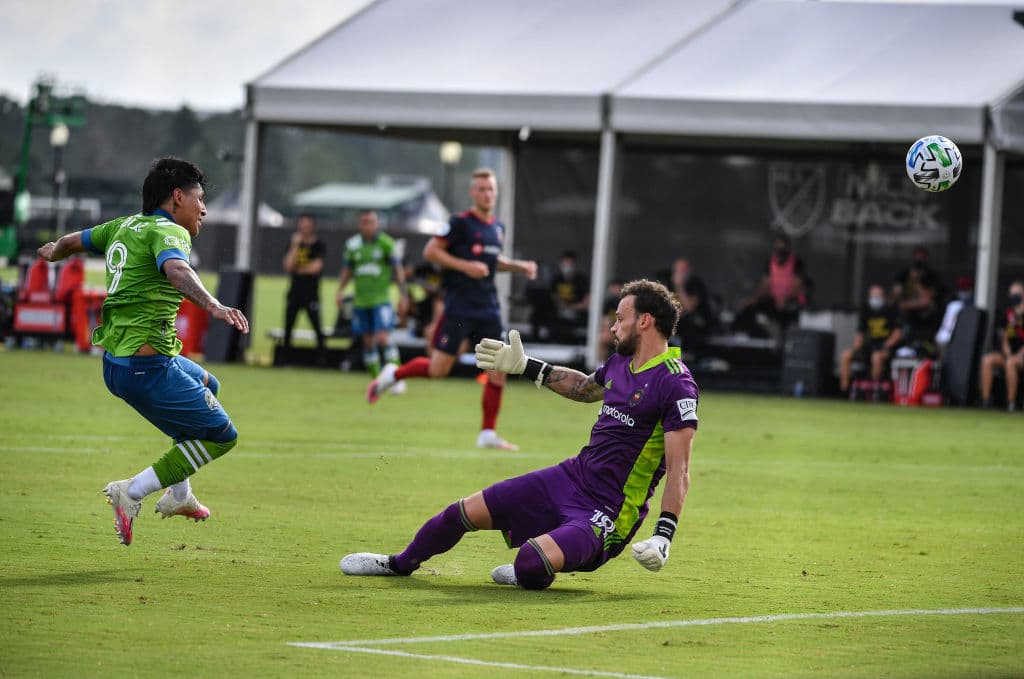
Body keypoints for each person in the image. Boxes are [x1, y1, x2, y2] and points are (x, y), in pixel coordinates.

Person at [341, 279, 697, 589]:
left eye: (620, 318)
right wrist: (527, 366)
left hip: (608, 511)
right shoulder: (622, 361)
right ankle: (397, 564)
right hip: (571, 477)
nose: (614, 327)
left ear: (645, 321)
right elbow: (584, 388)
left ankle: (537, 563)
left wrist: (663, 535)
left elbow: (679, 470)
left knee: (530, 561)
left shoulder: (675, 383)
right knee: (462, 512)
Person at [35, 157, 249, 546]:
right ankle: (132, 491)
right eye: (200, 199)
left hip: (120, 363)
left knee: (208, 385)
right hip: (145, 370)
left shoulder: (122, 225)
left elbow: (69, 243)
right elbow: (178, 271)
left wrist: (53, 252)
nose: (203, 209)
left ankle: (180, 494)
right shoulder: (170, 231)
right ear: (177, 197)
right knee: (223, 436)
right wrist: (215, 306)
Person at [366, 168, 537, 451]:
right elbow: (431, 251)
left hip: (488, 308)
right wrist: (465, 266)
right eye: (481, 189)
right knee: (438, 369)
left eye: (491, 189)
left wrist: (519, 267)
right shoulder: (459, 223)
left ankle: (487, 433)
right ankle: (392, 375)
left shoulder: (497, 227)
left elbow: (492, 261)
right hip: (459, 307)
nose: (487, 194)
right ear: (472, 193)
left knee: (498, 369)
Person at [336, 210, 409, 379]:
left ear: (377, 224)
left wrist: (403, 295)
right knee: (368, 341)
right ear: (359, 224)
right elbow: (347, 270)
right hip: (361, 301)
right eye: (364, 222)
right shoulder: (353, 245)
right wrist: (339, 290)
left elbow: (398, 271)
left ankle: (397, 377)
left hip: (381, 300)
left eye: (371, 222)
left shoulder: (386, 243)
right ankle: (376, 379)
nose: (368, 226)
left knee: (383, 337)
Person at [733, 234, 806, 339]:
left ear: (788, 249)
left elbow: (797, 286)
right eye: (777, 249)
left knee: (787, 315)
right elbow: (765, 285)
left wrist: (785, 299)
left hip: (792, 303)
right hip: (775, 302)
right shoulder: (770, 263)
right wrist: (754, 299)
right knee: (749, 308)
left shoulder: (796, 263)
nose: (780, 252)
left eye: (782, 249)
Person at [838, 284, 902, 394]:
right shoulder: (866, 310)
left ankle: (874, 389)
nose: (875, 299)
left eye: (878, 296)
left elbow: (897, 335)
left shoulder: (891, 311)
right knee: (845, 355)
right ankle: (845, 390)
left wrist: (885, 346)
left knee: (876, 357)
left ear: (884, 297)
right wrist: (856, 349)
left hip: (885, 348)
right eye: (873, 296)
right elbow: (859, 334)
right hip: (869, 347)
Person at [282, 212, 326, 363]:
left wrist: (298, 269)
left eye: (307, 224)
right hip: (294, 291)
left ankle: (322, 359)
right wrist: (295, 245)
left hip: (311, 292)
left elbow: (316, 268)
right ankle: (285, 359)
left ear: (312, 226)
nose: (304, 227)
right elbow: (288, 266)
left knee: (317, 326)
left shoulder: (318, 245)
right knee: (288, 326)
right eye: (302, 224)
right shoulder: (294, 243)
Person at [979, 280, 1024, 411]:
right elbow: (1004, 337)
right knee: (987, 360)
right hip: (1010, 354)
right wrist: (1007, 351)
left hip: (1021, 355)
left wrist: (1019, 354)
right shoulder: (1009, 314)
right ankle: (986, 400)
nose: (1014, 296)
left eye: (1017, 293)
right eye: (1012, 293)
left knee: (1011, 363)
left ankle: (1011, 403)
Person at [549, 250, 590, 341]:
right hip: (559, 317)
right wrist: (561, 306)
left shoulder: (582, 280)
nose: (567, 267)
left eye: (570, 264)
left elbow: (587, 302)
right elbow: (553, 298)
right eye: (565, 264)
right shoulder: (556, 279)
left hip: (578, 316)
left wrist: (572, 307)